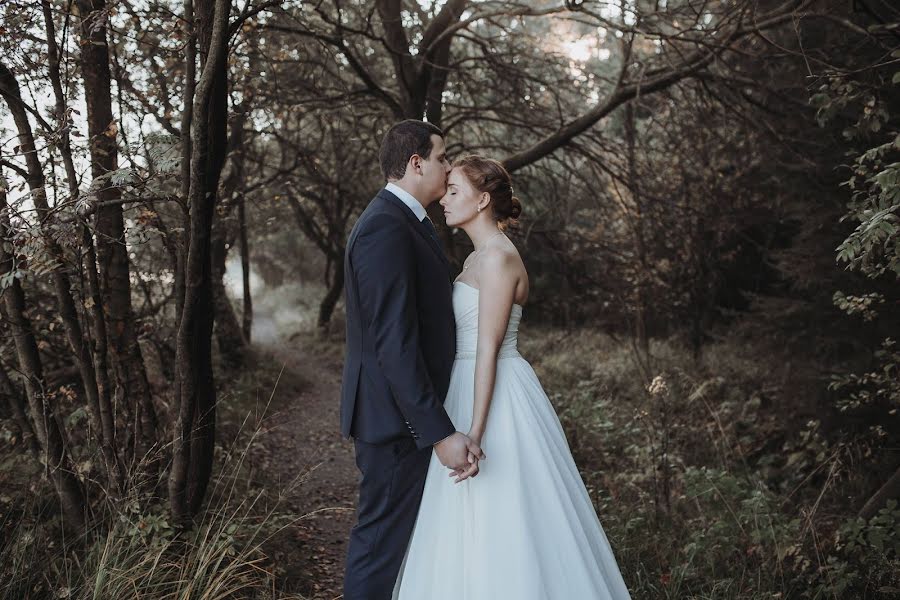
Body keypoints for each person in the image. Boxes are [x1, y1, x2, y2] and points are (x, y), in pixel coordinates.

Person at [391, 155, 632, 599]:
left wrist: (476, 431)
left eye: (455, 191)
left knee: (505, 510)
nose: (445, 199)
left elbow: (488, 349)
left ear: (483, 200)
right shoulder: (476, 258)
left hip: (494, 393)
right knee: (461, 518)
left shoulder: (499, 259)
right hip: (463, 388)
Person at [340, 120, 485, 600]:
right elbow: (394, 341)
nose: (447, 167)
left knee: (401, 550)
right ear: (417, 162)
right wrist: (438, 432)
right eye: (442, 157)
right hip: (394, 423)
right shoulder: (384, 226)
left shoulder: (405, 221)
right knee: (380, 548)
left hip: (403, 416)